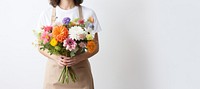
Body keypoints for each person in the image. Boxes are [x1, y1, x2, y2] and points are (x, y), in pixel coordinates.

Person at [36, 0, 102, 89]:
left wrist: (78, 58)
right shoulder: (47, 14)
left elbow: (95, 47)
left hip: (81, 76)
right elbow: (40, 46)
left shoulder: (88, 14)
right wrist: (56, 58)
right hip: (54, 75)